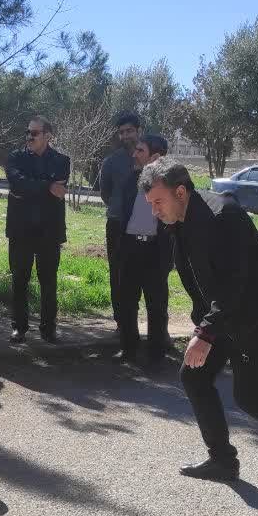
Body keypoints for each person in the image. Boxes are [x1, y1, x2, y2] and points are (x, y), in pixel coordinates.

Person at [139, 158, 258, 485]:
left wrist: (205, 334)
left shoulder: (222, 216)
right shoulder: (179, 220)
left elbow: (235, 284)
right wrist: (203, 325)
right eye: (150, 204)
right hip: (224, 314)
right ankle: (222, 461)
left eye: (158, 202)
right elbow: (201, 280)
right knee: (194, 376)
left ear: (180, 192)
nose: (154, 211)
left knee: (249, 395)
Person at [5, 115, 70, 344]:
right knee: (19, 281)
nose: (29, 137)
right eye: (27, 132)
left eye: (34, 133)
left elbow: (33, 187)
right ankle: (19, 327)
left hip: (49, 232)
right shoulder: (15, 157)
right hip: (21, 230)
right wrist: (47, 186)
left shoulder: (62, 161)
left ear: (47, 135)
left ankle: (48, 329)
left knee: (48, 282)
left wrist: (30, 187)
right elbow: (17, 184)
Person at [114, 134, 173, 364]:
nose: (134, 154)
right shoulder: (131, 180)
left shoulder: (171, 184)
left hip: (155, 251)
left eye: (140, 151)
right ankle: (128, 349)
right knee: (127, 302)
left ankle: (156, 355)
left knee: (156, 305)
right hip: (130, 248)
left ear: (155, 157)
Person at [99, 111, 142, 326]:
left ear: (139, 131)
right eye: (122, 132)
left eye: (129, 131)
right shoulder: (111, 162)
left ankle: (154, 326)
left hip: (147, 226)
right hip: (117, 224)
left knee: (146, 275)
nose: (125, 136)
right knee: (118, 274)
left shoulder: (151, 157)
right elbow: (105, 193)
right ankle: (121, 322)